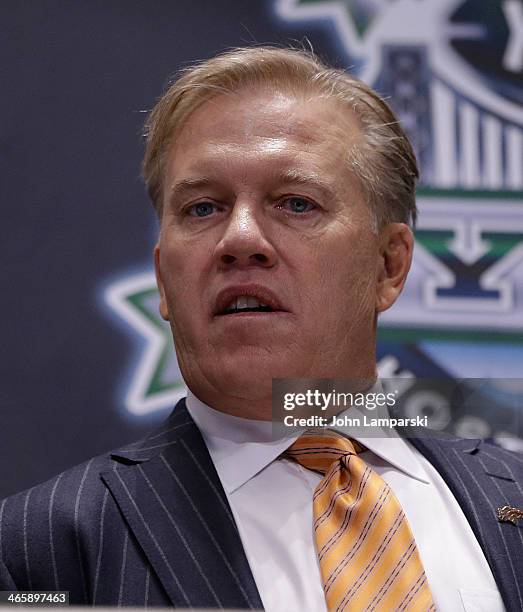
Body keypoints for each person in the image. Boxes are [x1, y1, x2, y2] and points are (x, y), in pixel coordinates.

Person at [1, 46, 521, 611]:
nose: (240, 239)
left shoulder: (511, 499)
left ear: (388, 265)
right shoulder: (39, 548)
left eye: (295, 203)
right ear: (162, 279)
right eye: (203, 208)